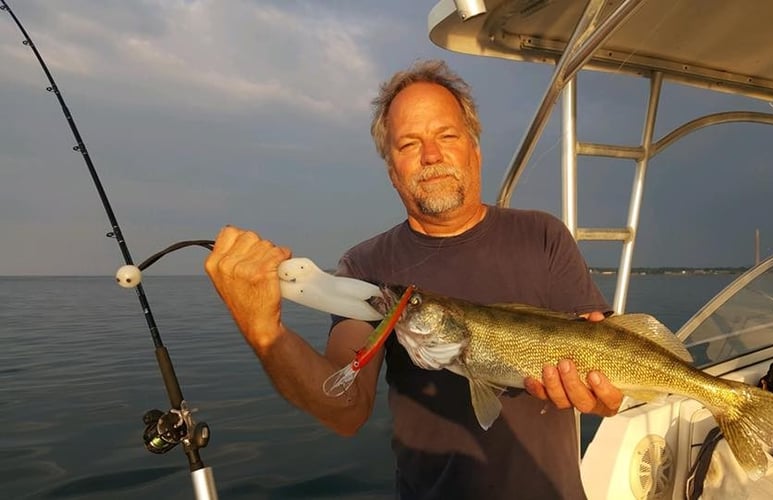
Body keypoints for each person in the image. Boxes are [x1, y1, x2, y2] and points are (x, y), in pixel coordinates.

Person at [205, 59, 624, 500]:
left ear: (474, 150)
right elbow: (345, 410)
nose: (431, 155)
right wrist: (262, 329)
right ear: (392, 172)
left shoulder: (543, 235)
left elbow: (607, 375)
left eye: (446, 136)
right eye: (409, 144)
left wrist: (602, 397)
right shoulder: (367, 266)